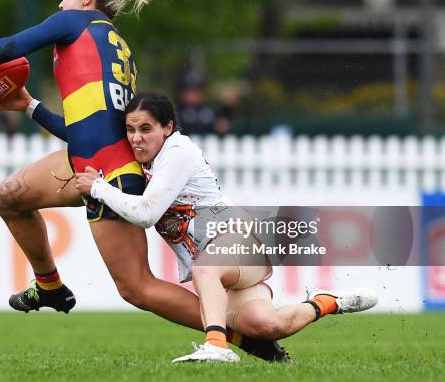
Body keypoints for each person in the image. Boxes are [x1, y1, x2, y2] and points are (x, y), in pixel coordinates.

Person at [0, 0, 289, 362]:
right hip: (90, 159)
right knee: (8, 195)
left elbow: (9, 47)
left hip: (107, 171)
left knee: (137, 287)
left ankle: (238, 335)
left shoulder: (75, 21)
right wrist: (31, 107)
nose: (59, 5)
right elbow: (87, 128)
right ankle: (49, 286)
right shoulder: (116, 46)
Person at [75, 91, 378, 363]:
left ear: (168, 128)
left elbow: (146, 214)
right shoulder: (144, 158)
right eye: (130, 129)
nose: (136, 138)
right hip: (220, 266)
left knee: (205, 268)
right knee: (266, 326)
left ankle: (217, 345)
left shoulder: (179, 150)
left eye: (145, 128)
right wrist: (32, 107)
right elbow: (76, 131)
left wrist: (99, 188)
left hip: (238, 241)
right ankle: (328, 302)